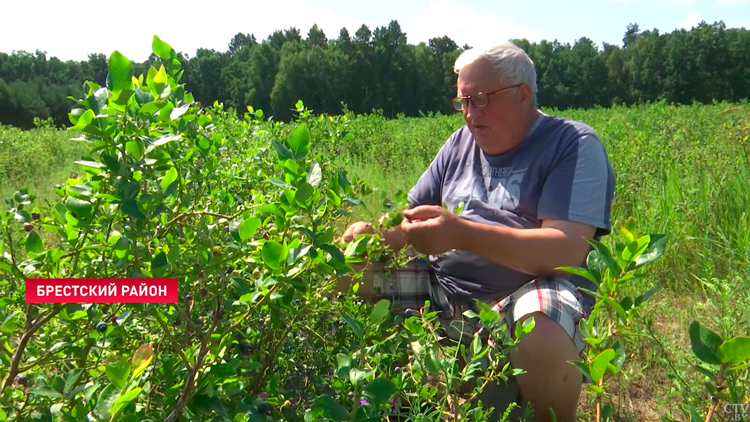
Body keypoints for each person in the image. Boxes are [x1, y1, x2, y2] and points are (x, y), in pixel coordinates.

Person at [339, 41, 615, 422]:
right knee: (345, 272)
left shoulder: (571, 144)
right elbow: (409, 218)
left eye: (481, 99)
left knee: (543, 323)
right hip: (442, 292)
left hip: (518, 298)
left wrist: (462, 234)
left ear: (523, 94)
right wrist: (375, 237)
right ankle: (380, 400)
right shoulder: (458, 144)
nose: (469, 114)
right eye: (462, 102)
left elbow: (566, 250)